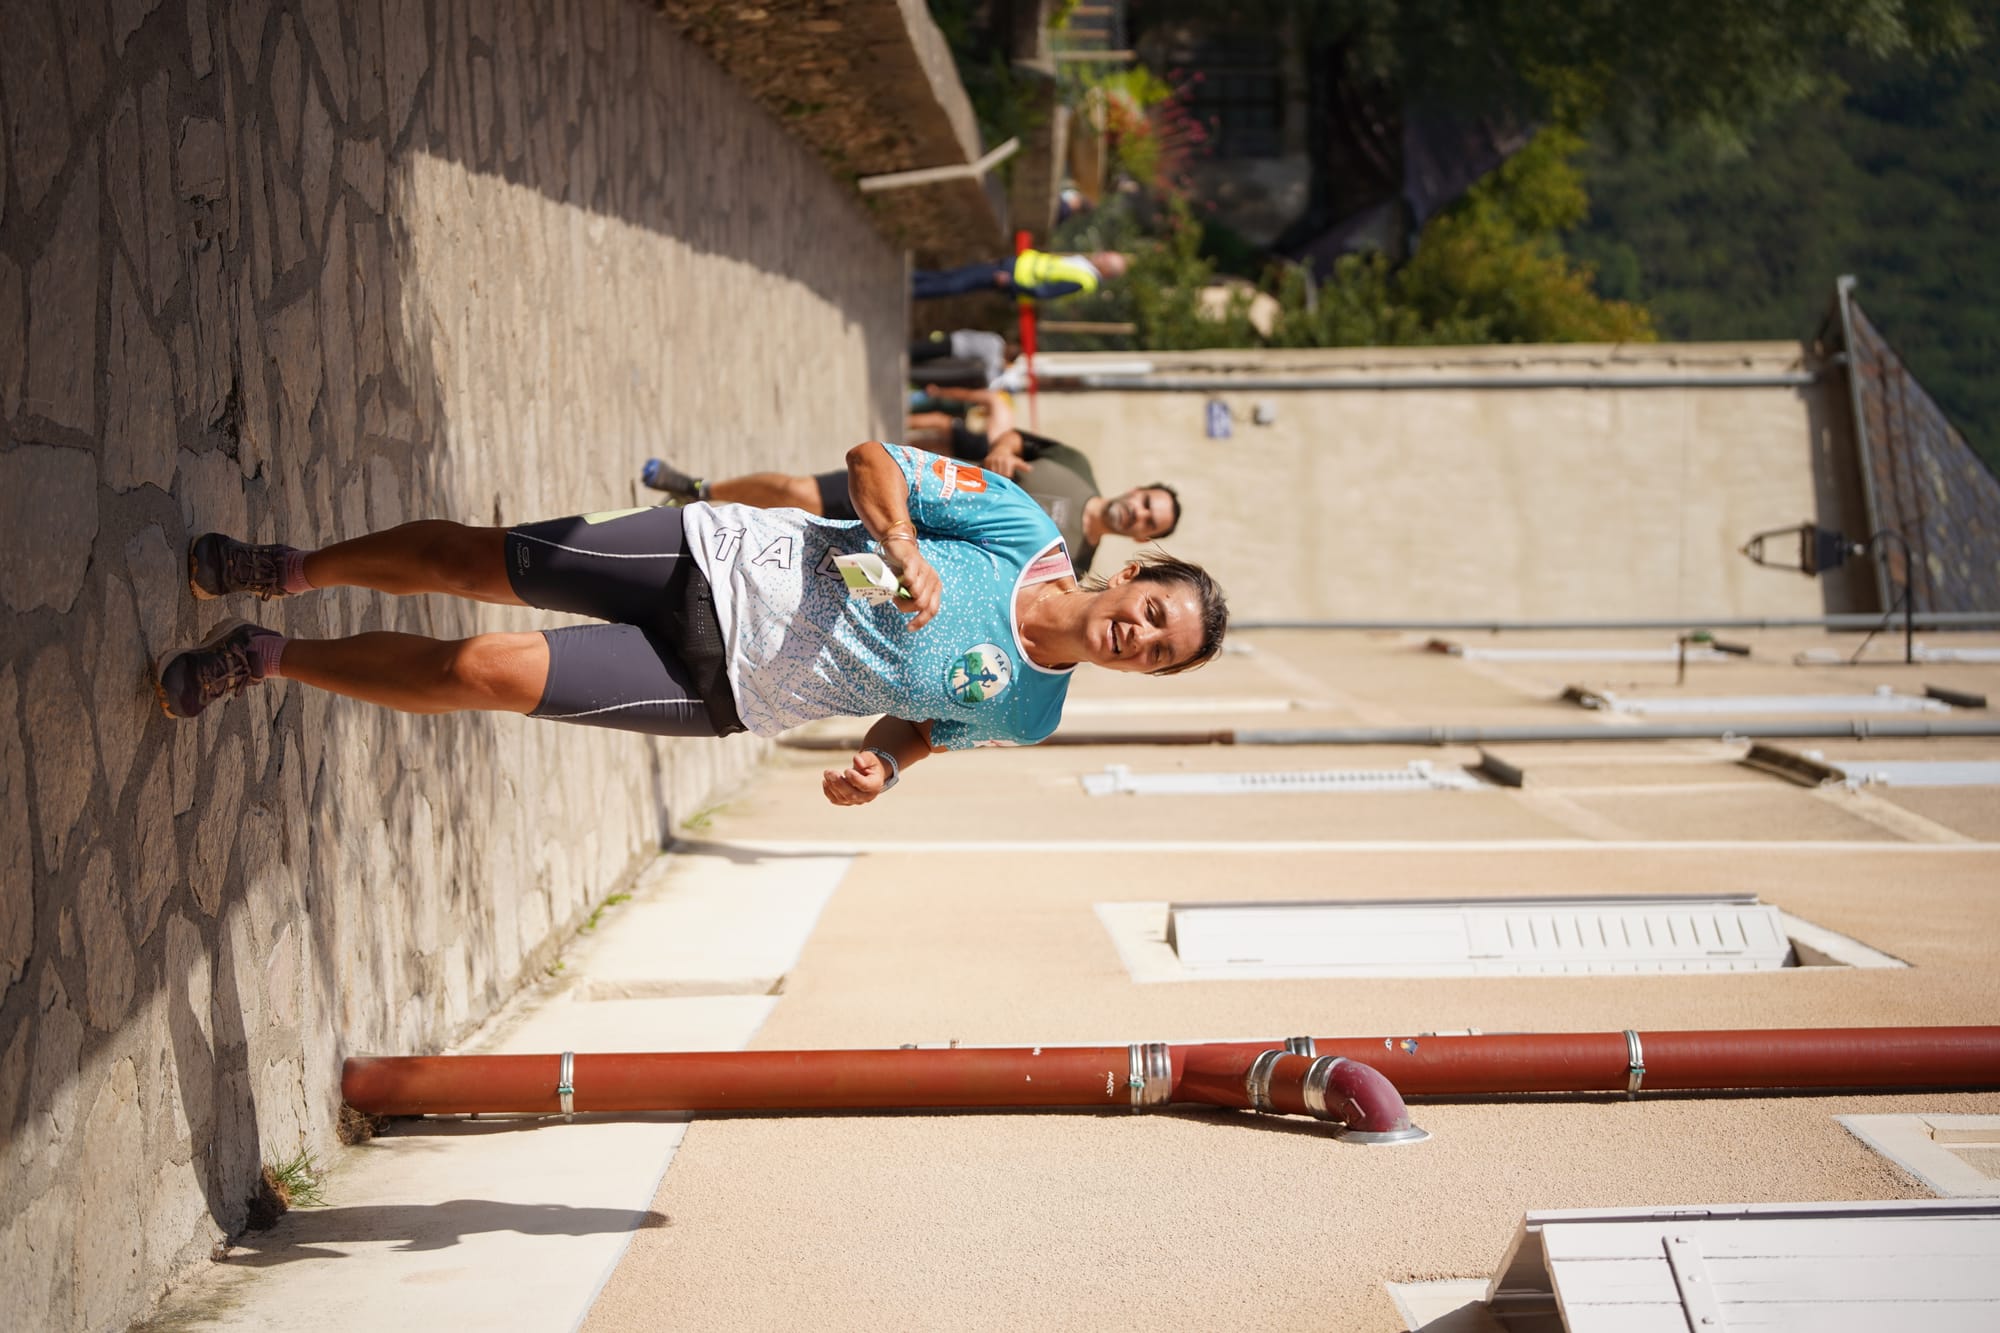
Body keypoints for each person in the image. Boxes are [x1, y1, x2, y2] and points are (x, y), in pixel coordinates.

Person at [154, 443, 1227, 806]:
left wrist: (882, 771)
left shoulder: (1032, 715)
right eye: (1151, 611)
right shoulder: (1020, 526)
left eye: (1160, 649)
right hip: (720, 559)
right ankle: (291, 571)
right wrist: (898, 543)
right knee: (476, 565)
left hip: (731, 690)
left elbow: (926, 728)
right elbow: (871, 464)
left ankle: (270, 658)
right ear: (1133, 573)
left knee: (478, 669)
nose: (1140, 634)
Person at [640, 421, 1181, 577]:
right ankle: (701, 491)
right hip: (910, 486)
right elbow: (1016, 437)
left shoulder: (1073, 564)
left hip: (905, 554)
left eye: (1148, 521)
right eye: (1146, 501)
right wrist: (999, 450)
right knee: (796, 492)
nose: (1139, 512)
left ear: (1142, 536)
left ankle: (687, 542)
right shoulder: (1077, 465)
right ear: (1137, 491)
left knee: (790, 556)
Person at [912, 249, 1130, 303]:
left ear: (1107, 269)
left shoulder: (1084, 280)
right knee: (957, 275)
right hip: (1011, 266)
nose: (1100, 255)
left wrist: (1011, 281)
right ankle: (913, 280)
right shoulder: (1083, 266)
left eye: (1105, 257)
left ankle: (914, 290)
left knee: (957, 283)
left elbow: (1045, 291)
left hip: (1010, 277)